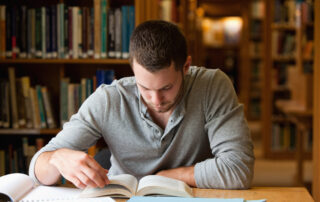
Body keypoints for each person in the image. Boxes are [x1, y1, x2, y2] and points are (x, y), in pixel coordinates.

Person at [29, 20, 254, 190]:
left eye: (166, 87)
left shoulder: (212, 86)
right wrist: (56, 158)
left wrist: (164, 177)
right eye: (144, 88)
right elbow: (37, 172)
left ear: (186, 66)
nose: (156, 101)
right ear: (133, 70)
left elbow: (238, 169)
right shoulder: (109, 99)